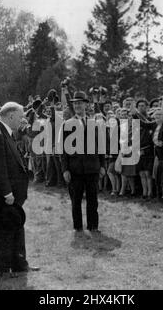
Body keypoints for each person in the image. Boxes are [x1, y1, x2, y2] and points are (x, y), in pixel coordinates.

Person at [0, 102, 40, 276]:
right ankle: (2, 269)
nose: (23, 121)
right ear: (10, 116)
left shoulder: (5, 132)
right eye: (21, 117)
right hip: (5, 194)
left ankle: (19, 264)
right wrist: (7, 192)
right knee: (5, 231)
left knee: (16, 228)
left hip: (13, 193)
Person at [61, 91, 106, 234]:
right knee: (76, 200)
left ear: (86, 105)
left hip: (92, 168)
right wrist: (65, 169)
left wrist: (103, 165)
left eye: (80, 103)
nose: (77, 105)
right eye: (75, 103)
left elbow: (100, 146)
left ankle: (93, 226)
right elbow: (63, 150)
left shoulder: (94, 123)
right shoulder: (67, 124)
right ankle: (78, 227)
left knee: (93, 199)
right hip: (75, 169)